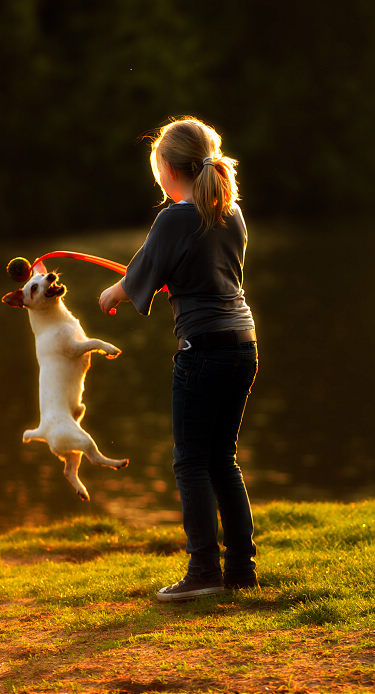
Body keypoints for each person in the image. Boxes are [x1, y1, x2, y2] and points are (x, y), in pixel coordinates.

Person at [99, 117, 259, 601]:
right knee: (222, 459)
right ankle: (240, 570)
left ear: (166, 168)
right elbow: (201, 271)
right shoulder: (230, 212)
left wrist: (111, 295)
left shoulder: (175, 217)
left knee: (190, 462)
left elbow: (136, 276)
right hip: (243, 345)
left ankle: (203, 572)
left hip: (203, 351)